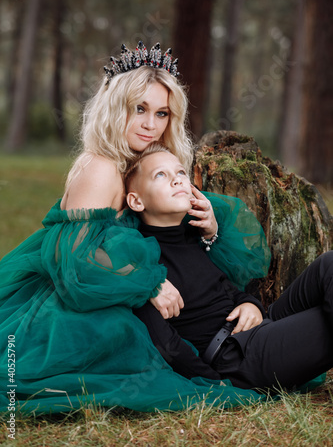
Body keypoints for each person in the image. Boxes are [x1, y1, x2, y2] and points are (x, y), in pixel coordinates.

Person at [0, 41, 271, 415]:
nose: (150, 125)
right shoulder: (101, 167)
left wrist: (209, 229)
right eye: (139, 109)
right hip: (76, 302)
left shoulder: (135, 159)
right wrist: (147, 282)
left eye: (161, 113)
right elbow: (73, 262)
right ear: (115, 107)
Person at [125, 143, 333, 392]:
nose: (177, 180)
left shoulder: (192, 236)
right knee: (323, 322)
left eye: (180, 173)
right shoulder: (142, 262)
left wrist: (250, 304)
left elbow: (225, 289)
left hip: (259, 326)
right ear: (136, 201)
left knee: (329, 263)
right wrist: (216, 382)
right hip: (234, 357)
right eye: (161, 175)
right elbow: (164, 341)